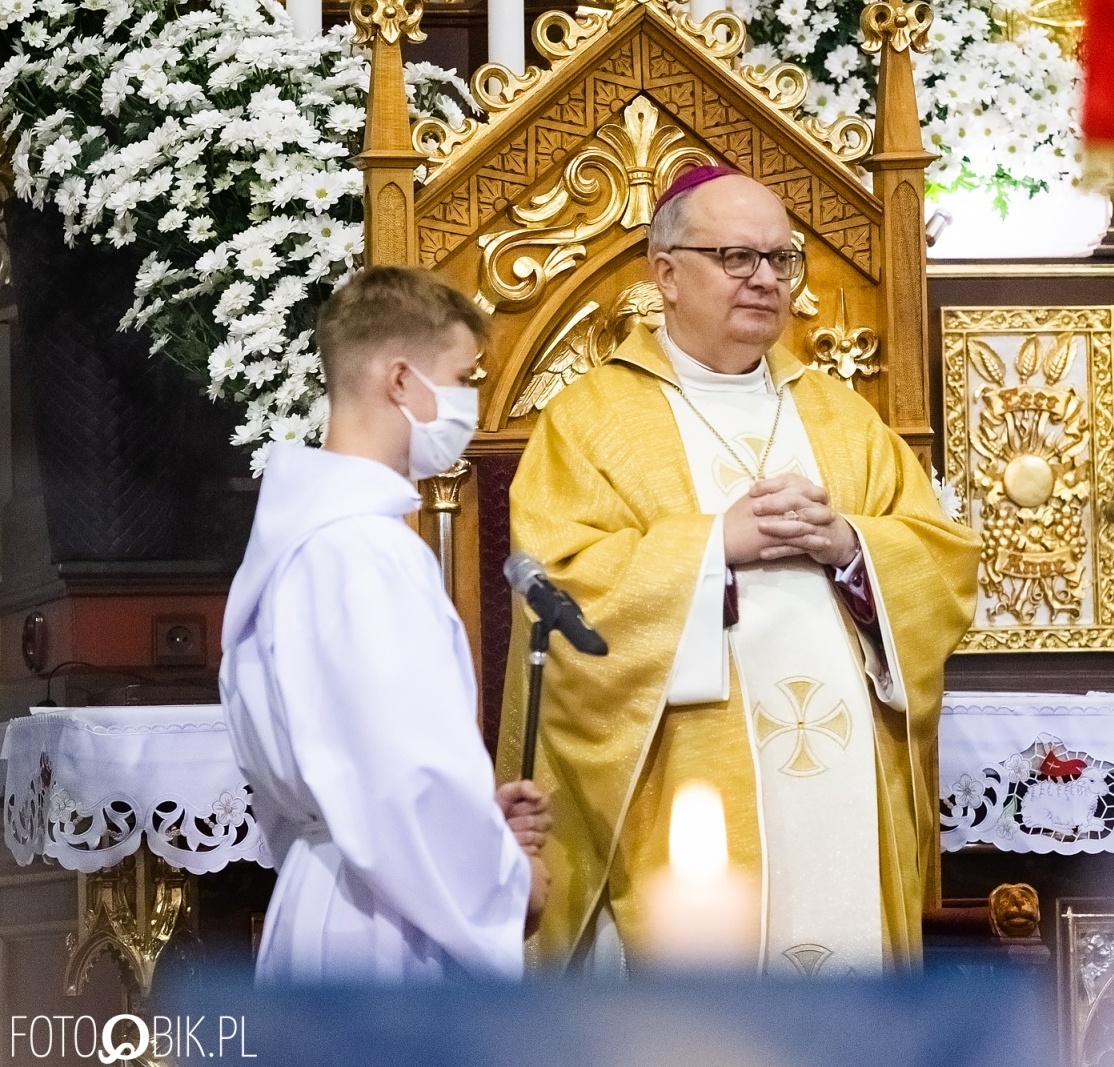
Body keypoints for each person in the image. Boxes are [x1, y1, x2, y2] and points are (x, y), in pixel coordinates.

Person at [503, 166, 979, 976]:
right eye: (735, 257)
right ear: (666, 274)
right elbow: (559, 586)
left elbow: (941, 562)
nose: (765, 278)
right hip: (684, 790)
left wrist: (850, 546)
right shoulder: (590, 420)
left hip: (842, 794)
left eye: (781, 258)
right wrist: (710, 546)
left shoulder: (840, 414)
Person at [222, 267, 550, 983]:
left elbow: (348, 769)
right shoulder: (365, 551)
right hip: (382, 926)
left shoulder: (302, 538)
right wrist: (504, 877)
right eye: (461, 379)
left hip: (333, 888)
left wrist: (473, 822)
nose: (470, 404)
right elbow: (400, 777)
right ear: (400, 380)